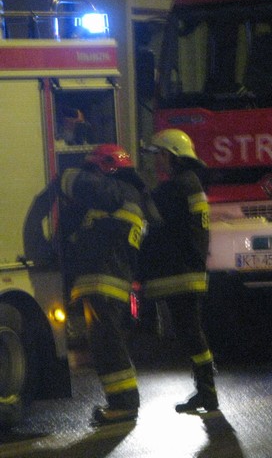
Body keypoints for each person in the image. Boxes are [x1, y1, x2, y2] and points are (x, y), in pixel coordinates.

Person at [58, 144, 148, 425]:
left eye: (92, 169)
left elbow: (84, 186)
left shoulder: (117, 191)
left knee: (107, 343)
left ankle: (124, 405)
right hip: (108, 279)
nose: (90, 175)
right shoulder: (125, 195)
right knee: (106, 342)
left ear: (107, 168)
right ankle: (121, 403)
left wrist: (64, 176)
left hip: (105, 279)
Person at [139, 128, 218, 415]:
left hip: (181, 271)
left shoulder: (177, 187)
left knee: (191, 332)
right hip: (187, 269)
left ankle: (208, 391)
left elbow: (153, 221)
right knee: (190, 332)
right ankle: (205, 391)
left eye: (159, 154)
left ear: (171, 155)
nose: (156, 160)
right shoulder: (190, 183)